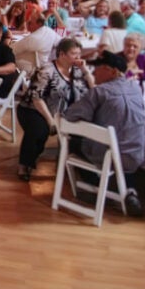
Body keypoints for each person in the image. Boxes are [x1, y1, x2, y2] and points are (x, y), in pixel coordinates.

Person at [64, 50, 145, 216]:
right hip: (135, 155)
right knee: (121, 146)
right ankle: (129, 190)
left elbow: (70, 115)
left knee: (70, 141)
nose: (94, 72)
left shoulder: (99, 92)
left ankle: (97, 186)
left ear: (111, 70)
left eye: (98, 68)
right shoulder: (135, 87)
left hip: (107, 155)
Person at [16, 38, 94, 181]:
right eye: (73, 54)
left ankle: (76, 165)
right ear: (62, 54)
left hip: (61, 112)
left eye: (79, 54)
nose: (77, 58)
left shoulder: (77, 70)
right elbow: (36, 97)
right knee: (40, 130)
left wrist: (85, 70)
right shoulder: (47, 70)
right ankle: (24, 165)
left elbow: (93, 89)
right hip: (33, 109)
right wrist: (50, 120)